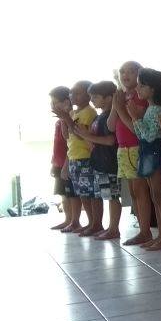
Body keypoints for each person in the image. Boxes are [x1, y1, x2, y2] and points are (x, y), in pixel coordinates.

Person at [111, 61, 153, 246]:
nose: (125, 75)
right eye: (122, 71)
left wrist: (120, 108)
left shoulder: (140, 96)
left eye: (130, 71)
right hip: (123, 149)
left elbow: (137, 129)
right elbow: (110, 126)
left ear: (139, 73)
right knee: (133, 192)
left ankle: (145, 231)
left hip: (137, 147)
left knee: (140, 191)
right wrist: (115, 105)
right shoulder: (122, 96)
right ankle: (142, 230)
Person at [73, 81, 121, 241]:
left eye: (95, 97)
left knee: (112, 196)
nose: (92, 99)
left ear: (109, 98)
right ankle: (107, 227)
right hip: (99, 162)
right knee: (105, 195)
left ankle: (114, 229)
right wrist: (85, 135)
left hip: (109, 162)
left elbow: (110, 140)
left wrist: (86, 135)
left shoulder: (108, 116)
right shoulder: (100, 116)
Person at [134, 68, 161, 251]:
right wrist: (137, 119)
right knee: (155, 196)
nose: (138, 88)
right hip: (149, 153)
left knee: (159, 196)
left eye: (142, 85)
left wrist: (136, 118)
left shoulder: (156, 109)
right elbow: (141, 135)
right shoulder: (151, 108)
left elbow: (150, 136)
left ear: (153, 89)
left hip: (155, 153)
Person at [56, 80, 100, 236]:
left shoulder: (89, 112)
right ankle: (91, 223)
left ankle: (96, 224)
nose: (72, 95)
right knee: (82, 194)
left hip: (86, 157)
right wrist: (64, 118)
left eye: (77, 93)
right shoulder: (73, 113)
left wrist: (67, 119)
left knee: (91, 194)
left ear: (89, 95)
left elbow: (82, 136)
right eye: (71, 92)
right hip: (74, 157)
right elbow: (67, 135)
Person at [48, 86, 75, 232]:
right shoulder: (58, 121)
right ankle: (67, 219)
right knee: (63, 195)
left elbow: (70, 143)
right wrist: (54, 163)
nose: (52, 105)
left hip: (68, 162)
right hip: (58, 163)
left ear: (66, 102)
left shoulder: (70, 118)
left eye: (55, 102)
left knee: (71, 194)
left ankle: (73, 221)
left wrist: (66, 164)